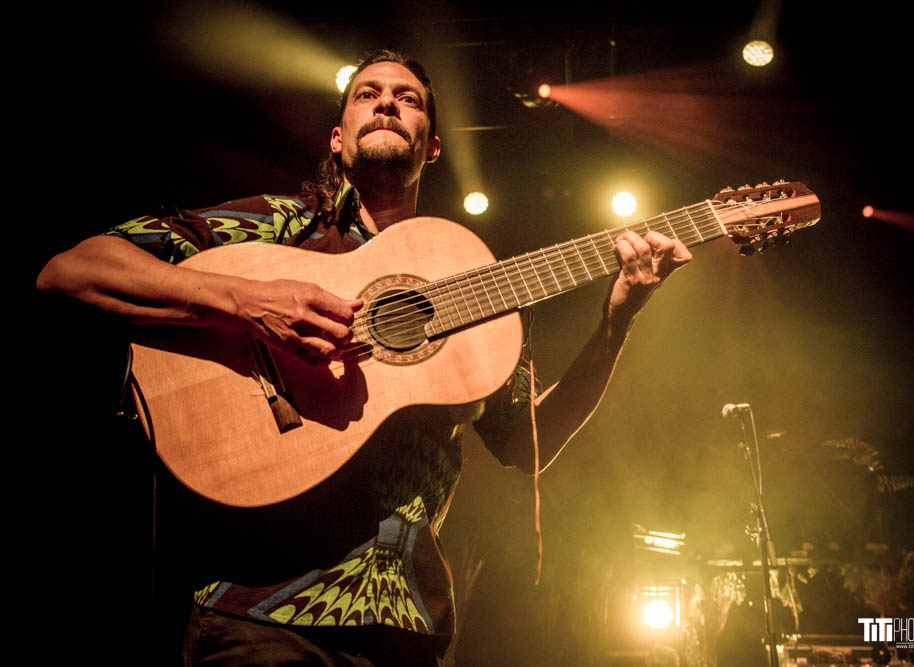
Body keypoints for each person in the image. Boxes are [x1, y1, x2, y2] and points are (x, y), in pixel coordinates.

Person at [36, 50, 691, 665]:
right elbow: (73, 270)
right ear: (336, 136)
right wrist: (246, 299)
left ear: (432, 145)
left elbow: (527, 444)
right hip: (260, 612)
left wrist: (617, 324)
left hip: (408, 625)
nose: (386, 104)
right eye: (367, 94)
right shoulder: (279, 226)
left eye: (408, 99)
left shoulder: (468, 274)